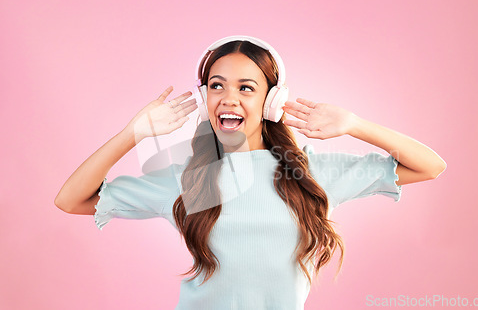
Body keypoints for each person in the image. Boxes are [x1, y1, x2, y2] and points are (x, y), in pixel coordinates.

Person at [54, 35, 446, 310]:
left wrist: (355, 124)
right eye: (216, 85)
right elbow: (71, 199)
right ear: (205, 94)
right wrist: (132, 134)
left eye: (246, 88)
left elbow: (430, 166)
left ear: (271, 100)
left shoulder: (310, 172)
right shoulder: (184, 179)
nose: (228, 98)